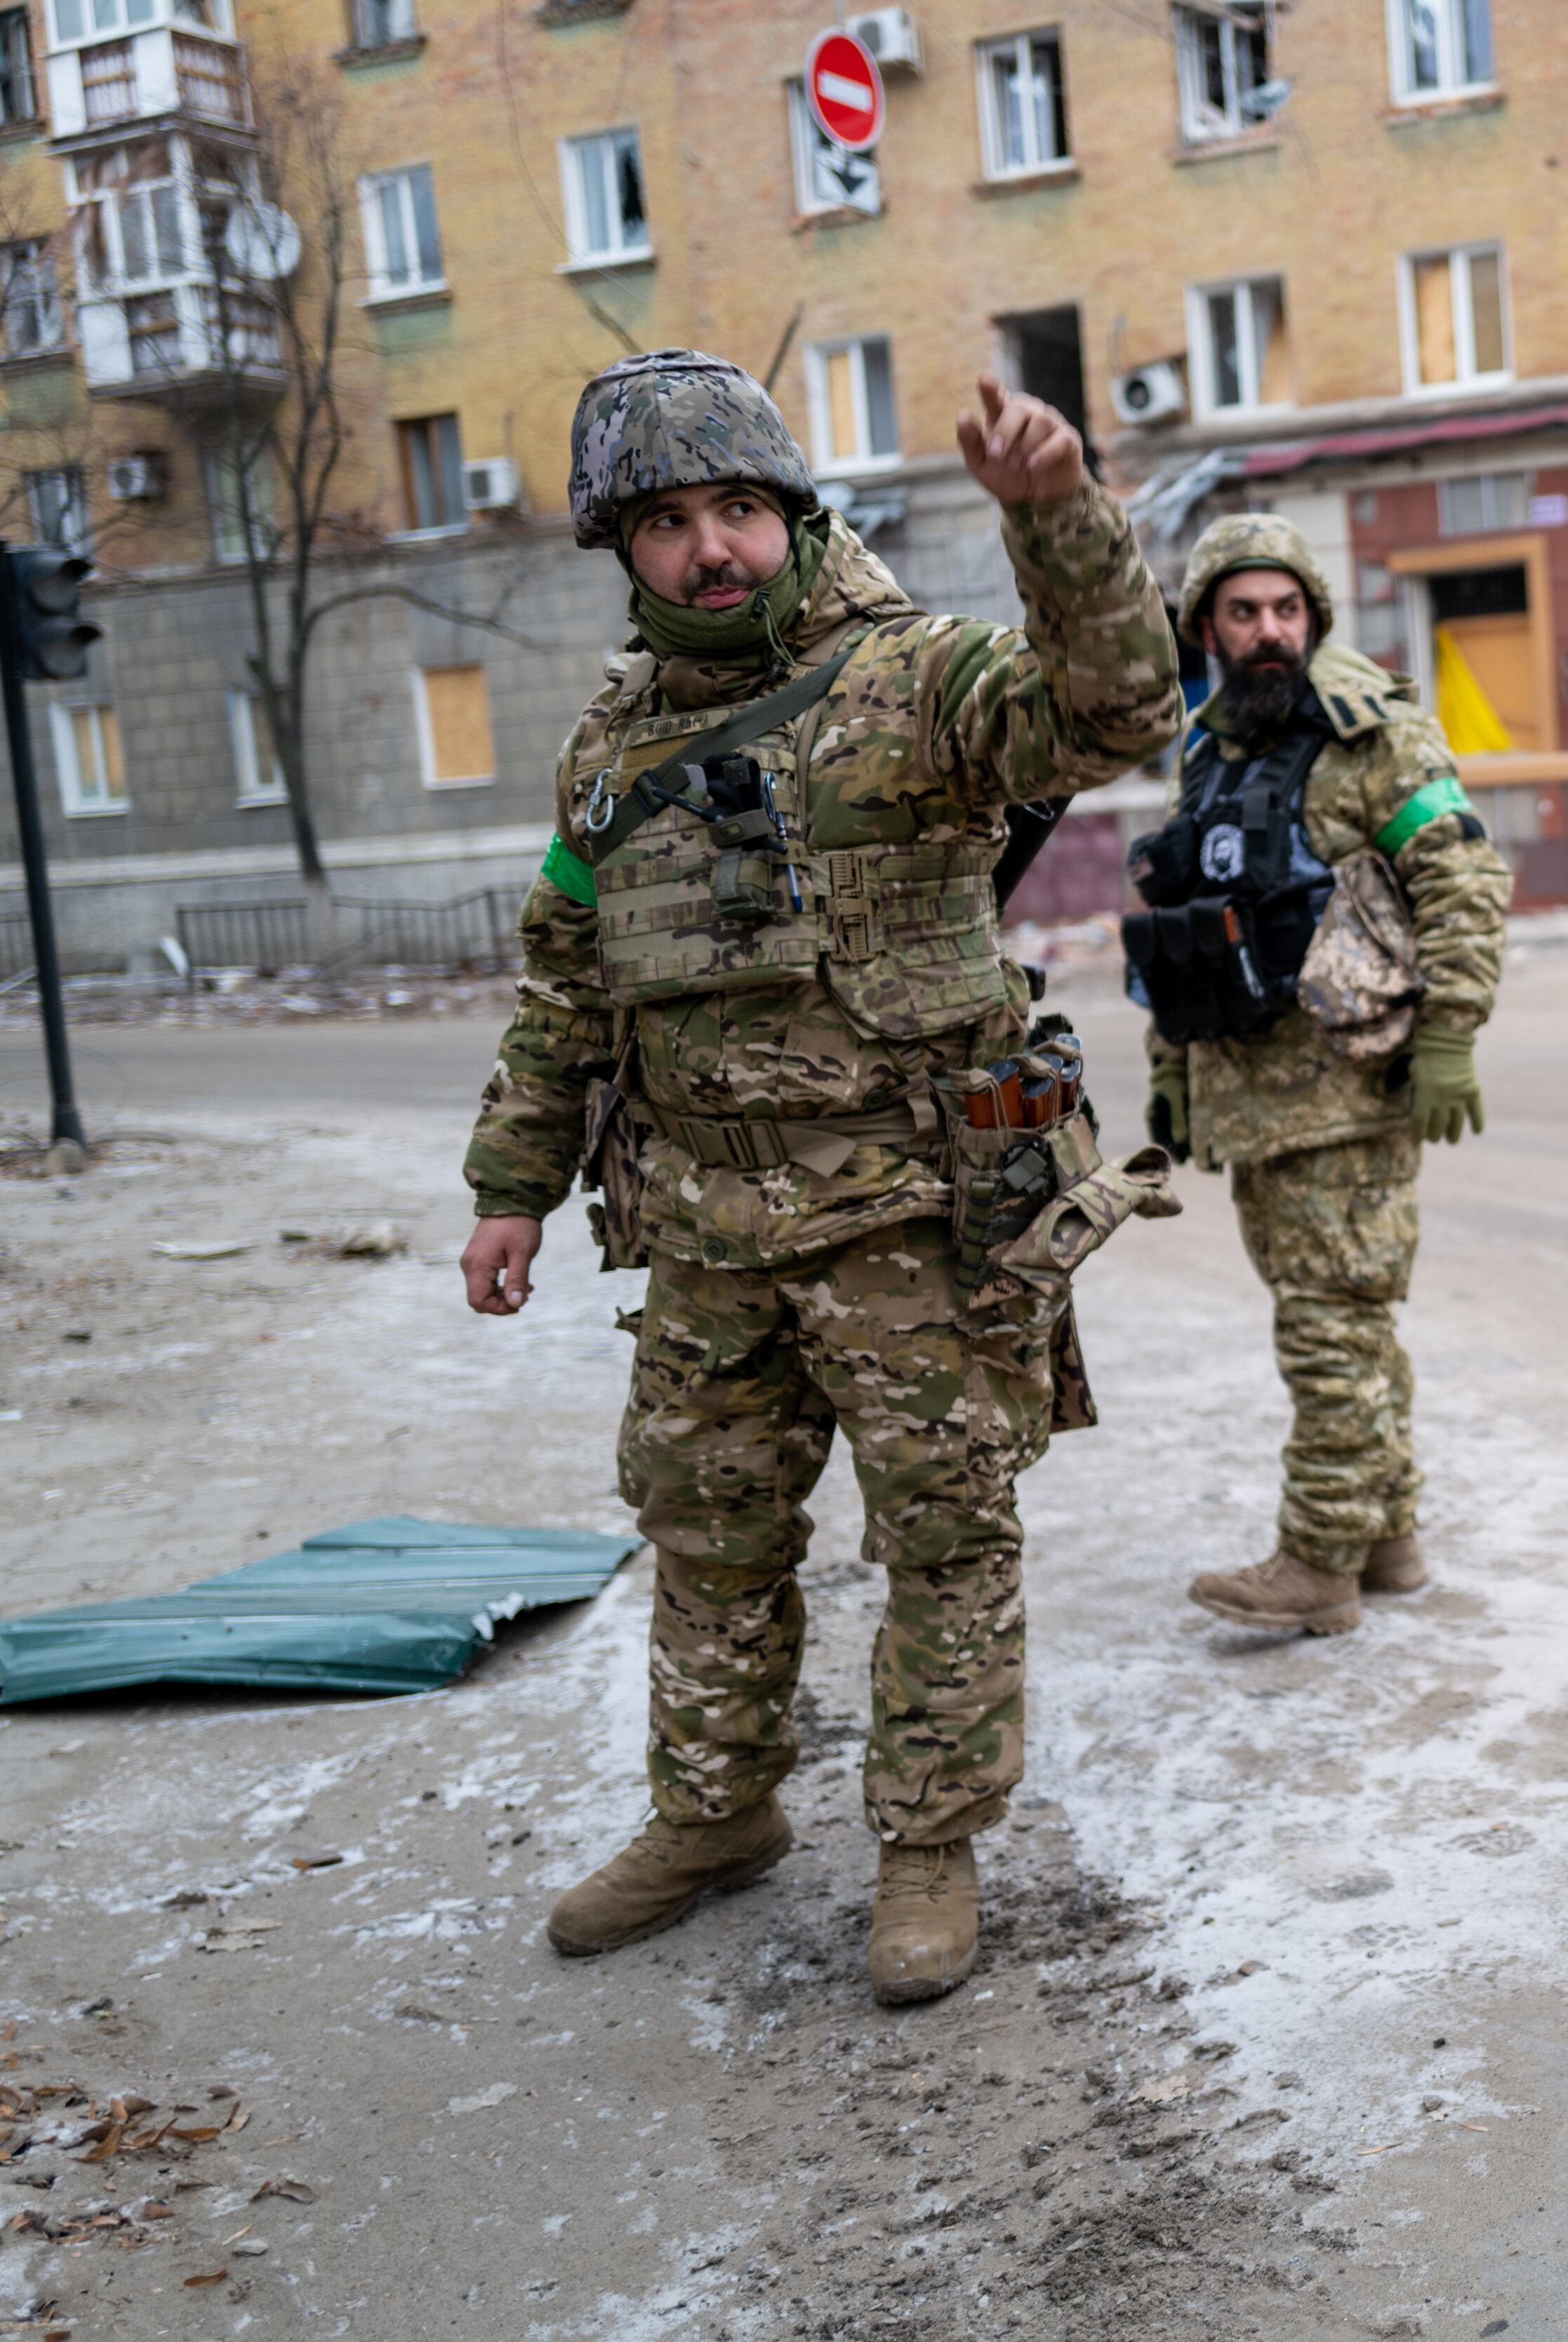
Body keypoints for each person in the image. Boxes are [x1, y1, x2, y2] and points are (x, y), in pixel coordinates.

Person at [456, 350, 1183, 2004]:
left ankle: (929, 1839)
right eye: (666, 523)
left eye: (737, 511)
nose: (711, 551)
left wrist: (1055, 516)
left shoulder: (919, 681)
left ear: (792, 511)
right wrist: (511, 1182)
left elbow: (1120, 710)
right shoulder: (606, 750)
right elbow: (566, 978)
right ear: (618, 549)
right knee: (707, 1534)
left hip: (915, 1218)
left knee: (941, 1528)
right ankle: (715, 1814)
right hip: (705, 1233)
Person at [1129, 516, 1511, 1637]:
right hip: (1253, 1094)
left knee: (1328, 1329)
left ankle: (1319, 1563)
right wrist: (1173, 1076)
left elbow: (1463, 881)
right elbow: (1187, 926)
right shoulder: (1209, 752)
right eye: (1243, 612)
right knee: (1350, 1323)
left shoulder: (1374, 739)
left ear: (1315, 620)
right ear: (1207, 625)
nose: (1267, 632)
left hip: (1346, 1086)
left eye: (1286, 610)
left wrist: (1451, 1034)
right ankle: (1386, 1535)